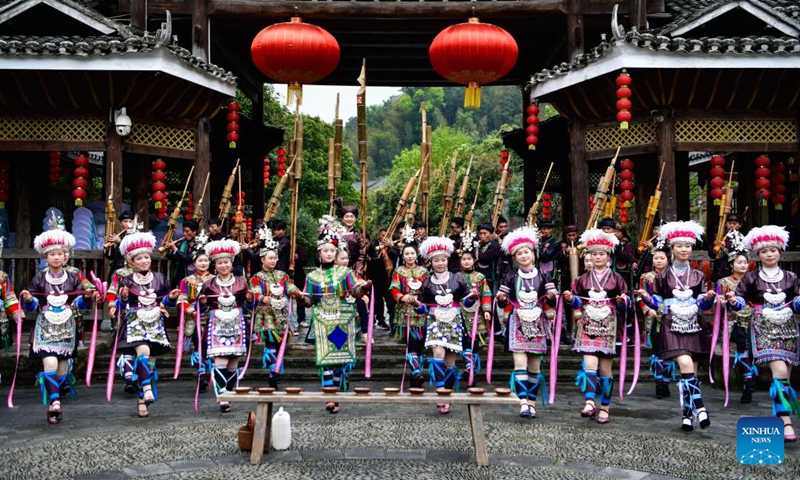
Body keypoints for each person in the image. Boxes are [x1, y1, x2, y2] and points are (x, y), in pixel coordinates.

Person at [637, 221, 715, 432]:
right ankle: (701, 408)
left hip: (693, 322)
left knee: (690, 372)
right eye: (679, 246)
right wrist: (647, 298)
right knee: (685, 362)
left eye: (687, 246)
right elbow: (657, 301)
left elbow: (703, 304)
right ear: (672, 248)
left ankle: (687, 416)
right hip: (671, 322)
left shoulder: (699, 276)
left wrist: (707, 298)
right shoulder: (662, 276)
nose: (684, 249)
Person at [727, 226, 800, 442]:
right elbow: (740, 301)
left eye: (773, 250)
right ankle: (786, 422)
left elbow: (797, 302)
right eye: (764, 251)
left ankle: (780, 412)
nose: (769, 254)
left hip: (788, 327)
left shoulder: (792, 277)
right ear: (758, 254)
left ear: (780, 252)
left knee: (784, 375)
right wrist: (733, 301)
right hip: (763, 326)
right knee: (778, 369)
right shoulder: (751, 278)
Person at [20, 226, 96, 424]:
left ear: (66, 257)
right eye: (52, 254)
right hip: (45, 326)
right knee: (50, 363)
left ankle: (54, 399)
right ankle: (54, 403)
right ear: (46, 257)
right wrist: (28, 299)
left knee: (62, 370)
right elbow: (34, 304)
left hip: (66, 327)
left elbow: (78, 303)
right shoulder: (38, 278)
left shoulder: (73, 278)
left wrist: (86, 297)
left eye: (59, 254)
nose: (56, 257)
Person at [300, 215, 371, 414]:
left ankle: (336, 394)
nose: (330, 254)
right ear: (319, 253)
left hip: (343, 319)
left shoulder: (346, 274)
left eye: (332, 250)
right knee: (326, 360)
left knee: (340, 360)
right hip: (323, 320)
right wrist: (299, 296)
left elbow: (355, 293)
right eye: (326, 251)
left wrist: (364, 289)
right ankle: (330, 397)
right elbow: (309, 301)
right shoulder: (312, 277)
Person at [563, 229, 630, 424]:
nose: (598, 257)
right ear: (589, 257)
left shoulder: (617, 278)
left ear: (608, 256)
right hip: (588, 324)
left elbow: (627, 303)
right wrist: (570, 298)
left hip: (608, 324)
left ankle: (605, 407)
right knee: (590, 365)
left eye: (601, 254)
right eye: (594, 254)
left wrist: (622, 300)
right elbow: (577, 303)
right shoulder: (582, 279)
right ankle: (590, 401)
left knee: (606, 371)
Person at [113, 232, 179, 418]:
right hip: (136, 322)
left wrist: (171, 298)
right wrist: (124, 297)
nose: (144, 261)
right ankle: (148, 390)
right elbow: (120, 305)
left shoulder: (160, 278)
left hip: (155, 323)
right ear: (131, 262)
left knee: (150, 365)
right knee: (143, 352)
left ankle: (143, 400)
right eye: (139, 258)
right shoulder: (126, 280)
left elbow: (165, 300)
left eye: (146, 257)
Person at [496, 225, 557, 419]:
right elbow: (501, 296)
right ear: (514, 257)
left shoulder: (544, 275)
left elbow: (552, 298)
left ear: (533, 253)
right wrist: (501, 299)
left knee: (534, 368)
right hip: (517, 322)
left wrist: (551, 296)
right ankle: (523, 402)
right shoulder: (511, 276)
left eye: (526, 252)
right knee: (519, 364)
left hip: (537, 323)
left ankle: (531, 402)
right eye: (519, 253)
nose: (523, 256)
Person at [410, 235, 475, 415]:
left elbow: (467, 303)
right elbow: (422, 309)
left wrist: (474, 298)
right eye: (436, 260)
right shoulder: (427, 281)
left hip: (454, 320)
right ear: (431, 262)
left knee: (450, 361)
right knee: (438, 353)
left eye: (443, 259)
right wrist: (416, 305)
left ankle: (447, 395)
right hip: (434, 321)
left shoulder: (459, 278)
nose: (440, 263)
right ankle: (441, 393)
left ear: (448, 260)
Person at [198, 238, 256, 413]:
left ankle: (230, 393)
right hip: (217, 325)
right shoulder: (208, 284)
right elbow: (200, 307)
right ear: (214, 265)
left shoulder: (241, 282)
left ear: (231, 263)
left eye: (226, 262)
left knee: (232, 363)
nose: (223, 265)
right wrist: (201, 303)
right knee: (220, 361)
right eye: (219, 263)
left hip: (237, 324)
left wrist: (250, 300)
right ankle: (222, 395)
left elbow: (249, 307)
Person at [249, 224, 302, 389]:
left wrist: (299, 294)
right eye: (269, 258)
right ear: (262, 259)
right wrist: (264, 298)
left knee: (281, 344)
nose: (273, 260)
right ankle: (273, 373)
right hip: (266, 315)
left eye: (275, 258)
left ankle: (277, 369)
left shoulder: (283, 275)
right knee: (270, 343)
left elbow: (291, 289)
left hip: (281, 314)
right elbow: (256, 293)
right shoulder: (257, 277)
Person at [715, 234, 756, 404]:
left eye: (745, 262)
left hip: (753, 320)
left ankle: (748, 381)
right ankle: (747, 379)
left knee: (749, 349)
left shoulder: (754, 280)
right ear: (732, 265)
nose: (743, 265)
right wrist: (725, 301)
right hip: (732, 320)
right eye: (739, 262)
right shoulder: (723, 282)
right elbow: (718, 301)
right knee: (741, 349)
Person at [389, 225, 428, 387]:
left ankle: (415, 373)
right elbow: (394, 288)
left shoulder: (424, 271)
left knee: (419, 344)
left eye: (412, 253)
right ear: (402, 256)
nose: (410, 256)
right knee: (411, 341)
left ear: (417, 255)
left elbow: (428, 289)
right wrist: (402, 296)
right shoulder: (398, 271)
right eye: (407, 254)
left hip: (421, 311)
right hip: (406, 311)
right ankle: (416, 373)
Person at [177, 230, 212, 392]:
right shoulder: (187, 280)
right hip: (194, 317)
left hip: (212, 318)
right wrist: (191, 310)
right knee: (198, 345)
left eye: (206, 260)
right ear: (194, 263)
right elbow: (181, 299)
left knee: (208, 346)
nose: (204, 263)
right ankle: (202, 373)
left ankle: (207, 371)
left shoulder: (215, 279)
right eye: (200, 260)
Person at [458, 226, 493, 387]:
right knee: (464, 340)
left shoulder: (480, 277)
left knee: (475, 342)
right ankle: (468, 367)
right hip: (459, 313)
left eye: (469, 259)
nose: (466, 261)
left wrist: (486, 310)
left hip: (476, 314)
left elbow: (486, 294)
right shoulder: (455, 277)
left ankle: (473, 369)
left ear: (474, 260)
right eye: (464, 259)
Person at [639, 244, 675, 399]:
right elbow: (641, 296)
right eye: (656, 258)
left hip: (672, 315)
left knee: (669, 351)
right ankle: (658, 381)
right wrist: (648, 309)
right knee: (657, 350)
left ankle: (665, 381)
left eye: (662, 258)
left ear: (668, 260)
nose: (659, 261)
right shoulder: (646, 277)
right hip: (654, 316)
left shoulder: (674, 276)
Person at [367, 228, 396, 331]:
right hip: (377, 277)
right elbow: (369, 260)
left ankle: (393, 319)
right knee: (378, 299)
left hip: (389, 277)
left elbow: (396, 256)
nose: (384, 238)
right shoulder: (373, 245)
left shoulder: (392, 244)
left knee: (390, 299)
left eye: (386, 236)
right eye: (382, 235)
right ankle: (381, 319)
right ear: (378, 236)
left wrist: (391, 246)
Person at [709, 213, 744, 282]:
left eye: (734, 223)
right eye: (729, 223)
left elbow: (740, 255)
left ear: (740, 225)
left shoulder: (742, 239)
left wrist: (725, 249)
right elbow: (711, 255)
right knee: (719, 291)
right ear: (725, 224)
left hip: (734, 271)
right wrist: (715, 247)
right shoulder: (720, 237)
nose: (731, 225)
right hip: (719, 271)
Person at [165, 219, 199, 287]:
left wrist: (174, 248)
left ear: (194, 231)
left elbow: (188, 259)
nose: (184, 234)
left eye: (187, 231)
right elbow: (174, 258)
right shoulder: (182, 242)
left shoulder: (198, 243)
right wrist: (169, 250)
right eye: (183, 231)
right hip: (179, 274)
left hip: (190, 275)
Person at [476, 223, 502, 294]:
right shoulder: (481, 244)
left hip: (489, 278)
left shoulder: (494, 245)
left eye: (485, 233)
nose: (482, 236)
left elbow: (485, 259)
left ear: (492, 234)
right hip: (478, 276)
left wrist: (475, 249)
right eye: (480, 233)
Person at [537, 219, 563, 284]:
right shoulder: (537, 240)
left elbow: (545, 257)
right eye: (544, 229)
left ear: (552, 229)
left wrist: (538, 245)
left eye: (548, 229)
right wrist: (537, 240)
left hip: (550, 273)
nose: (546, 231)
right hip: (538, 271)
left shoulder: (555, 242)